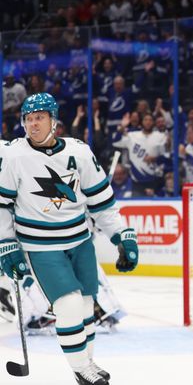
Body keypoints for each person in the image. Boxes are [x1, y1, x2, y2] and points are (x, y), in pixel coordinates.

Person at [0, 93, 138, 385]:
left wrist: (121, 236)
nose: (32, 125)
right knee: (69, 305)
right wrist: (6, 243)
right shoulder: (14, 156)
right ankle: (80, 370)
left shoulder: (79, 152)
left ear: (54, 120)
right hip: (41, 247)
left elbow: (102, 201)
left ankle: (87, 362)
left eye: (39, 118)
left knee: (87, 305)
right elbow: (2, 206)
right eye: (28, 119)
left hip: (80, 241)